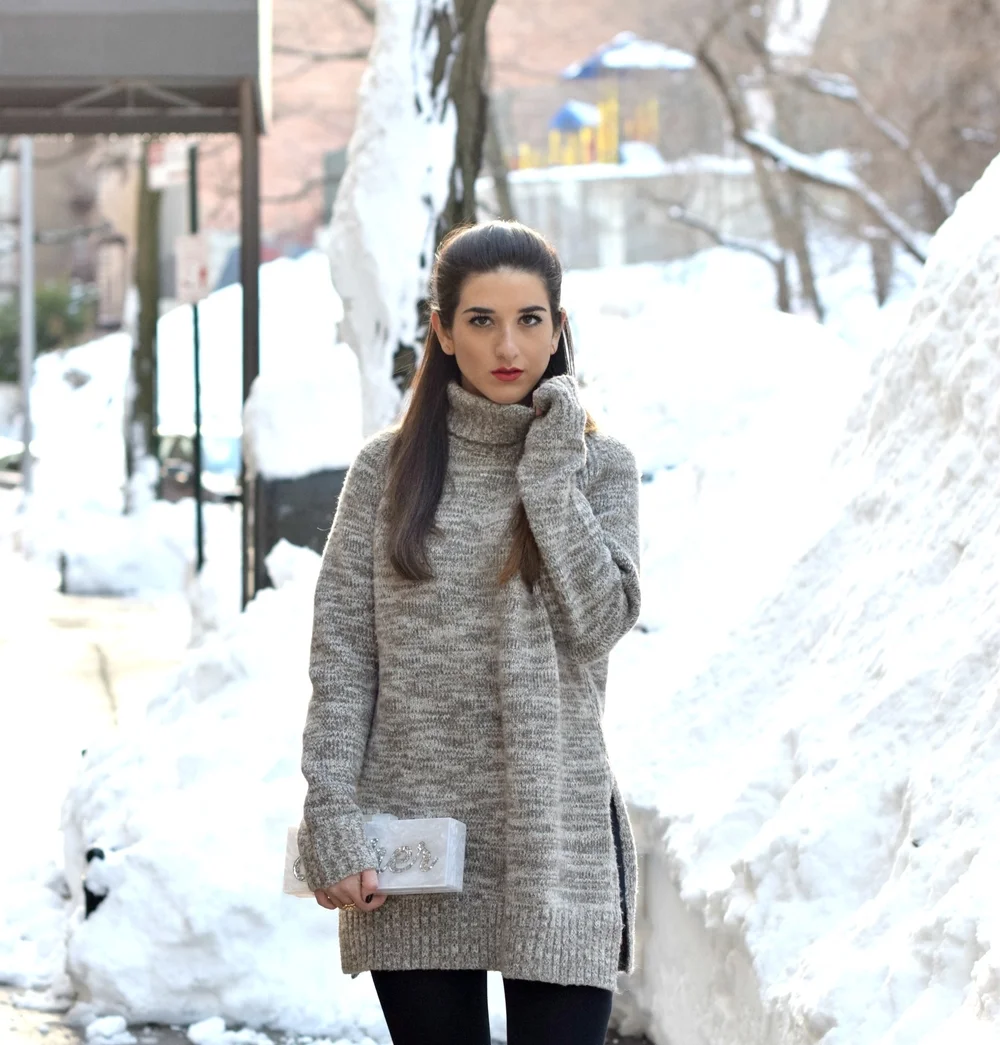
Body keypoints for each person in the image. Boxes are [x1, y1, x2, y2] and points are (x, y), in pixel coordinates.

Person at [297, 220, 642, 1045]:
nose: (507, 343)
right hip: (413, 837)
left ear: (559, 329)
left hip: (552, 835)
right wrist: (331, 819)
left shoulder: (600, 467)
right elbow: (344, 658)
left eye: (530, 318)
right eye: (481, 320)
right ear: (444, 331)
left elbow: (598, 623)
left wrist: (549, 474)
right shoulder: (389, 470)